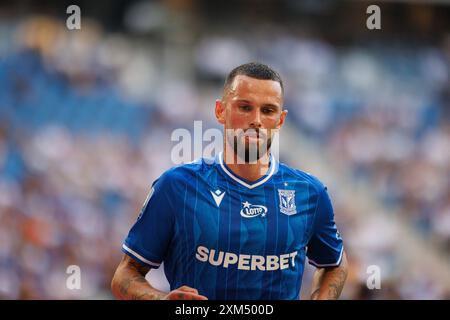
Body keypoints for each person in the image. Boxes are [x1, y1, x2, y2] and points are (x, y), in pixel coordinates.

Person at [111, 62, 348, 300]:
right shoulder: (176, 186)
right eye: (245, 107)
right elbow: (125, 274)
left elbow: (334, 262)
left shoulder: (309, 192)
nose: (256, 120)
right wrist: (161, 299)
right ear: (220, 111)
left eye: (267, 111)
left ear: (280, 120)